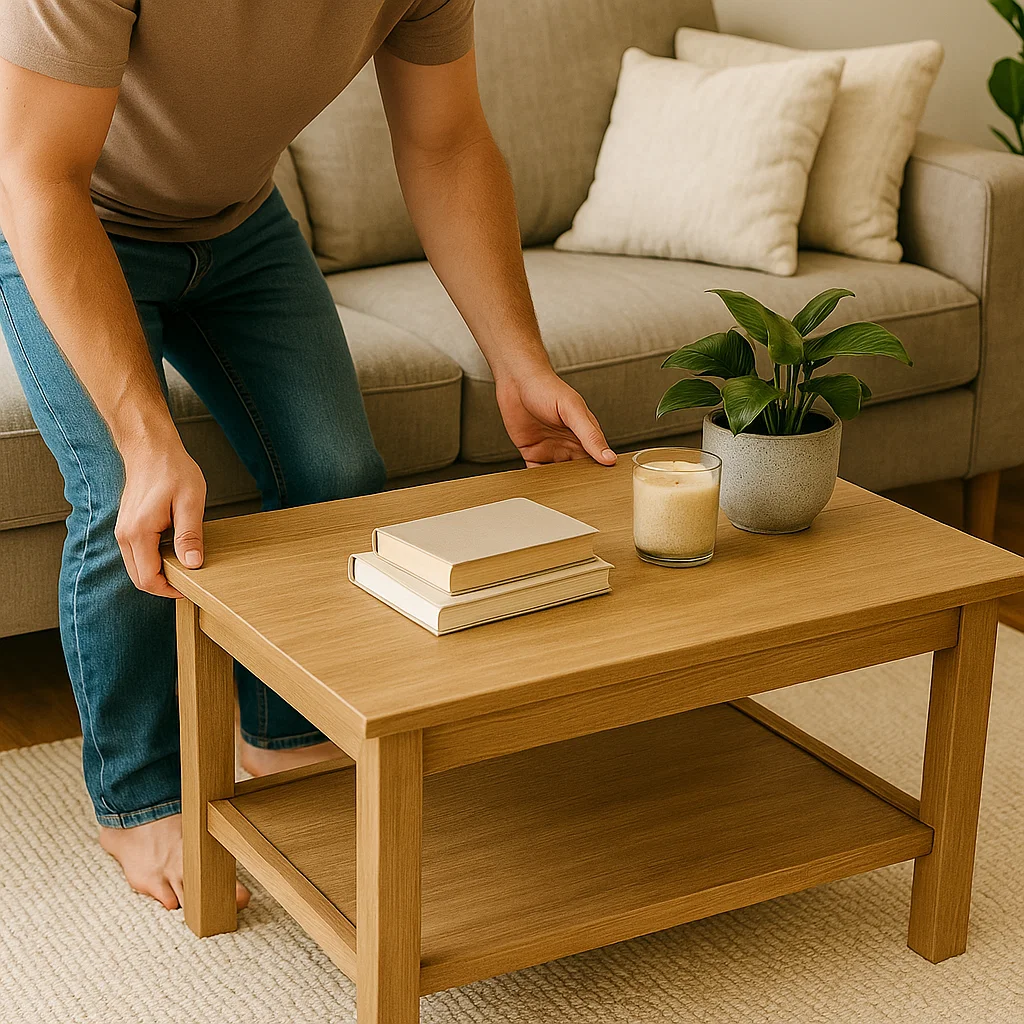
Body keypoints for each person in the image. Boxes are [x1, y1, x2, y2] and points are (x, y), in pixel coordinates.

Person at [0, 0, 616, 913]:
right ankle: (138, 797)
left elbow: (446, 142)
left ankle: (284, 736)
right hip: (64, 211)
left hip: (239, 226)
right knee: (126, 490)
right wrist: (145, 437)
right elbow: (38, 173)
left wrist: (518, 360)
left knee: (338, 480)